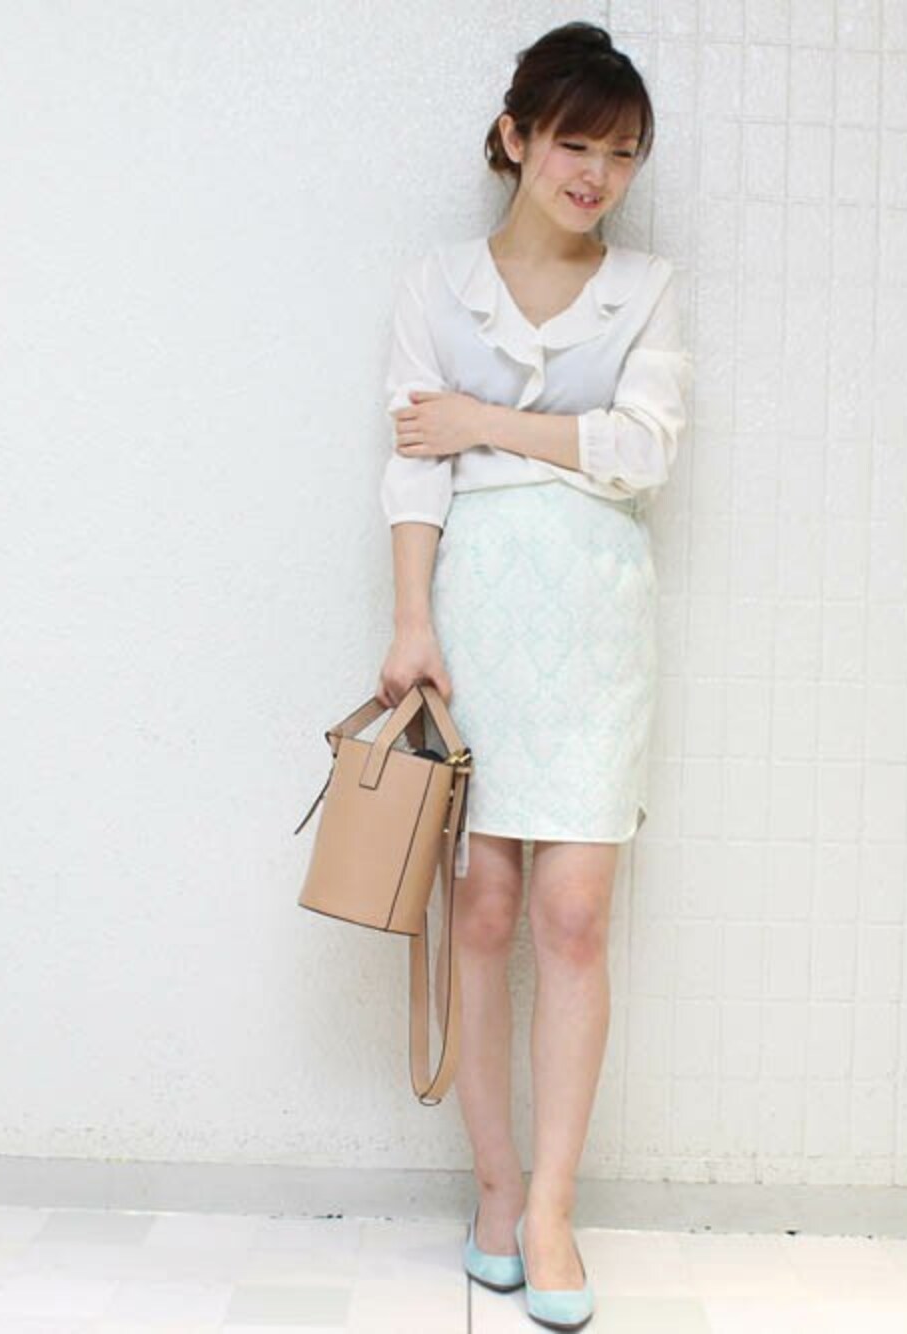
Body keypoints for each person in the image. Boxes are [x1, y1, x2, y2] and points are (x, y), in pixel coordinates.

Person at [376, 20, 692, 1331]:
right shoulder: (438, 285)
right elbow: (414, 464)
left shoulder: (648, 289)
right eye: (574, 143)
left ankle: (554, 1206)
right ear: (515, 137)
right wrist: (411, 622)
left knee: (572, 915)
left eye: (622, 154)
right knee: (484, 910)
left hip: (597, 615)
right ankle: (497, 1192)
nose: (595, 175)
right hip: (475, 613)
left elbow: (646, 451)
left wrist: (486, 424)